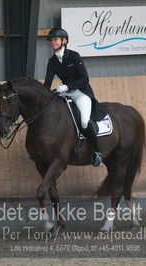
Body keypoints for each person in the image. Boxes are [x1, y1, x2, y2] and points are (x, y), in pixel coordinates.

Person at [43, 27, 103, 167]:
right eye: (51, 40)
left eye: (55, 39)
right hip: (66, 94)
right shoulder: (52, 61)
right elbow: (47, 83)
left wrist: (66, 86)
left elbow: (84, 79)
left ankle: (97, 152)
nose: (53, 42)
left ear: (64, 41)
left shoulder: (74, 56)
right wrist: (43, 94)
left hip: (82, 93)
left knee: (83, 121)